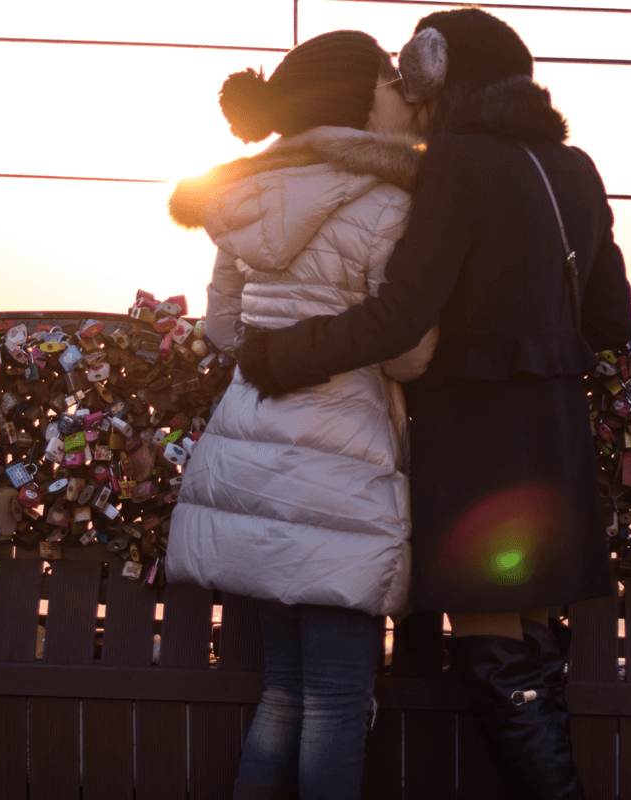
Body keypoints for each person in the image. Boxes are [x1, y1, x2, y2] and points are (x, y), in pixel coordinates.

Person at [236, 9, 631, 799]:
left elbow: (398, 318)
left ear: (445, 82)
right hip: (553, 443)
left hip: (477, 446)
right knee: (526, 657)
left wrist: (283, 354)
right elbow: (611, 322)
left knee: (498, 659)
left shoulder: (457, 163)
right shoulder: (576, 168)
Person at [163, 30, 436, 800]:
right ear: (358, 95)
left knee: (283, 690)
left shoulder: (239, 200)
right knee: (340, 698)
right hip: (342, 463)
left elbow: (222, 329)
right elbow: (408, 351)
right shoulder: (391, 199)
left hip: (251, 455)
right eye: (387, 80)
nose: (401, 94)